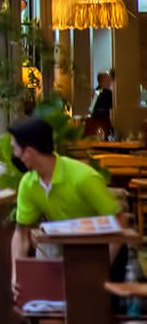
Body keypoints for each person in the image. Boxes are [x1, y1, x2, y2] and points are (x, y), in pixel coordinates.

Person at [8, 116, 123, 293]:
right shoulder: (28, 184)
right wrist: (17, 274)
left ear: (29, 152)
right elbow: (21, 234)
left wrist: (100, 268)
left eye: (14, 148)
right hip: (67, 253)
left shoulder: (83, 178)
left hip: (102, 252)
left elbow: (119, 223)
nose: (14, 155)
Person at [87, 71, 114, 137]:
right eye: (108, 80)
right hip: (104, 123)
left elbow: (91, 109)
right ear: (103, 81)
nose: (110, 82)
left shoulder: (97, 92)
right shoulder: (108, 93)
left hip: (96, 122)